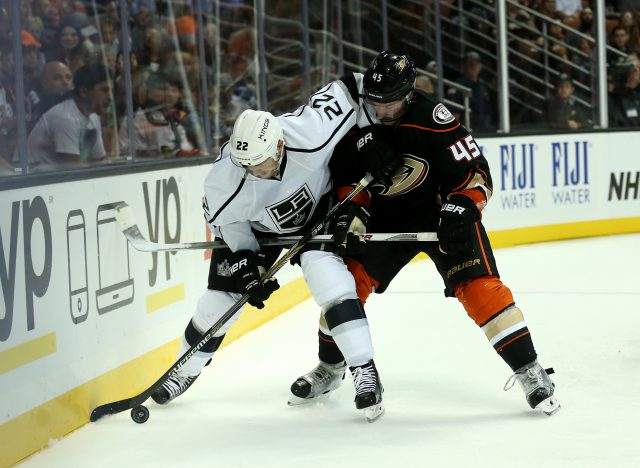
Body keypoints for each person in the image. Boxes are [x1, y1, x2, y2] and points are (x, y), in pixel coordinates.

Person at [291, 51, 561, 416]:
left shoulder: (433, 118)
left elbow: (476, 173)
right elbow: (345, 179)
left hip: (437, 216)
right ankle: (331, 367)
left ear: (408, 94)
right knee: (344, 288)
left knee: (480, 289)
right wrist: (352, 211)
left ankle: (529, 370)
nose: (381, 111)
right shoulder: (354, 121)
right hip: (384, 218)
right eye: (374, 101)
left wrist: (461, 208)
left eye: (389, 103)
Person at [150, 73, 398, 421]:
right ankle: (184, 370)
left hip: (317, 212)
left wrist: (375, 138)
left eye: (260, 163)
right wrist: (245, 261)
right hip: (256, 228)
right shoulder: (224, 179)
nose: (253, 171)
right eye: (245, 165)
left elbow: (354, 87)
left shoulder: (309, 133)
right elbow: (228, 224)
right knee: (220, 301)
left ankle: (364, 370)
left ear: (280, 146)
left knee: (327, 278)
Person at [25, 63, 111, 170]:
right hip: (35, 182)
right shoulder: (65, 118)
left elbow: (99, 162)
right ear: (84, 92)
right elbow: (75, 172)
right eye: (104, 90)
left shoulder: (93, 117)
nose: (110, 97)